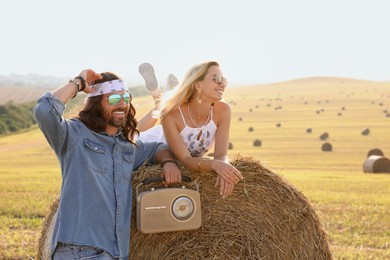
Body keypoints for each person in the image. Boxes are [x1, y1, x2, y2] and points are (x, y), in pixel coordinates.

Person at [33, 69, 181, 260]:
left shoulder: (126, 147)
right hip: (79, 252)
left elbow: (157, 148)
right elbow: (44, 111)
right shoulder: (75, 135)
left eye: (126, 97)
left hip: (115, 254)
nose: (122, 104)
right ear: (96, 104)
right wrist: (78, 82)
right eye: (113, 99)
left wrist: (168, 161)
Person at [138, 61, 243, 198]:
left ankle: (163, 94)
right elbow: (186, 160)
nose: (222, 84)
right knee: (133, 132)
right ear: (198, 85)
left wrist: (224, 169)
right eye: (216, 79)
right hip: (156, 144)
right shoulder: (171, 116)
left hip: (179, 135)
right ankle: (158, 96)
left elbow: (221, 154)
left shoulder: (223, 110)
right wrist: (214, 165)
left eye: (224, 80)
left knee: (164, 108)